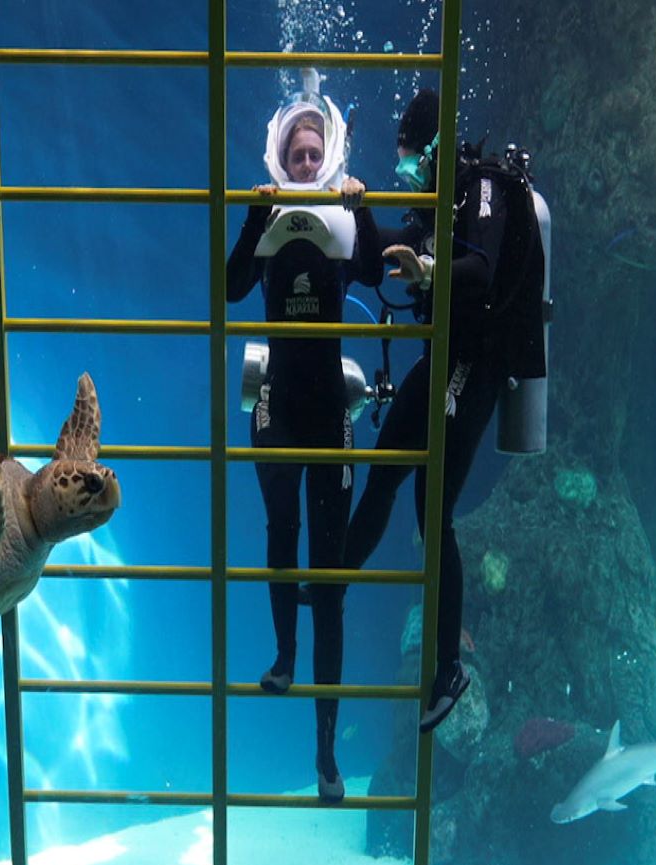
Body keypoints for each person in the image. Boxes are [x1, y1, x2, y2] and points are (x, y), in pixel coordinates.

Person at [343, 88, 546, 734]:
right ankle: (333, 579)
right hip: (444, 355)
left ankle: (448, 670)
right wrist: (359, 208)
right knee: (382, 471)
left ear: (434, 150)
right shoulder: (439, 203)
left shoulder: (481, 188)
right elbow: (385, 255)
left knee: (433, 511)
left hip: (479, 360)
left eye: (410, 164)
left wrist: (430, 272)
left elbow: (481, 270)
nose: (408, 175)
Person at [226, 83, 383, 802]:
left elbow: (377, 271)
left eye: (317, 152)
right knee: (281, 523)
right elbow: (230, 289)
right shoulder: (267, 217)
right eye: (298, 153)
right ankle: (285, 655)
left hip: (328, 411)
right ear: (281, 159)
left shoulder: (342, 218)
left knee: (333, 578)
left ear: (330, 157)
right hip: (277, 406)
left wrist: (362, 206)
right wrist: (256, 209)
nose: (308, 160)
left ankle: (326, 753)